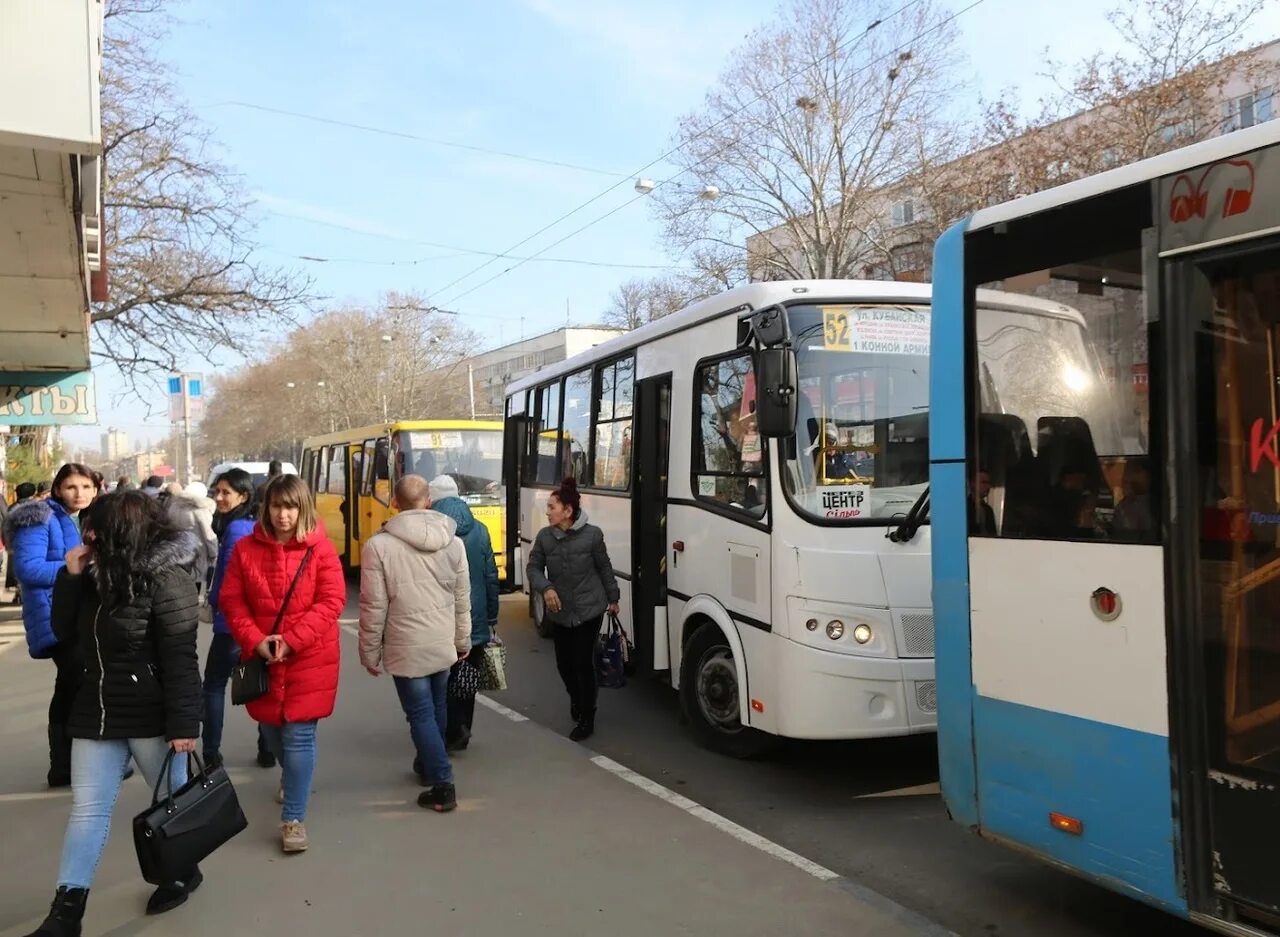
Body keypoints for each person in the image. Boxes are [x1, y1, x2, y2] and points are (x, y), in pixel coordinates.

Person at [24, 491, 203, 936]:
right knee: (87, 810)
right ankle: (66, 913)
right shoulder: (92, 576)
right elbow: (63, 631)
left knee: (169, 800)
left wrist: (184, 725)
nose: (87, 534)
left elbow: (182, 657)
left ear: (121, 530)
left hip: (152, 717)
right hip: (95, 712)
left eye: (96, 527)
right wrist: (69, 576)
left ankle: (181, 871)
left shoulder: (168, 579)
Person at [220, 474, 345, 854]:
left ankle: (293, 819)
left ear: (302, 508)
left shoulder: (321, 550)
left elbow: (331, 601)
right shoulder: (246, 549)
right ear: (266, 508)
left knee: (299, 735)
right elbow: (232, 600)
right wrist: (256, 641)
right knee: (273, 730)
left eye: (291, 506)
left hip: (309, 657)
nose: (283, 515)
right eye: (277, 506)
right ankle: (291, 777)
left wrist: (292, 640)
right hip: (262, 656)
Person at [359, 475, 470, 811]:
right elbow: (462, 598)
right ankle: (427, 764)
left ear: (395, 502)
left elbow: (373, 605)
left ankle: (442, 782)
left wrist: (369, 652)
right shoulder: (454, 542)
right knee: (435, 706)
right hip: (441, 639)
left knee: (420, 713)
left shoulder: (378, 546)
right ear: (429, 501)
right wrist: (462, 639)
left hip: (405, 642)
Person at [6, 464, 96, 787]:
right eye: (72, 487)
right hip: (53, 614)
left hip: (77, 613)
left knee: (75, 686)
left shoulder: (81, 518)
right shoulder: (39, 517)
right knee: (73, 687)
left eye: (86, 487)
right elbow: (27, 570)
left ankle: (71, 764)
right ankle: (64, 766)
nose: (79, 493)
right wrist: (77, 567)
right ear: (58, 489)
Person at [527, 477, 620, 742]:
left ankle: (587, 716)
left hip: (589, 608)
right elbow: (533, 568)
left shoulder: (593, 535)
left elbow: (604, 567)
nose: (547, 512)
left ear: (568, 511)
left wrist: (613, 598)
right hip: (559, 609)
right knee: (563, 664)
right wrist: (546, 588)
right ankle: (576, 698)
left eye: (551, 507)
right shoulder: (545, 537)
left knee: (583, 662)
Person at [202, 469, 275, 770]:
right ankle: (267, 749)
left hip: (232, 623)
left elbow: (227, 578)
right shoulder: (255, 526)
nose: (218, 498)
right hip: (257, 622)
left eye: (225, 493)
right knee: (258, 683)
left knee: (214, 685)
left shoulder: (235, 530)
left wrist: (214, 601)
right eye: (216, 491)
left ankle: (210, 752)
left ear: (243, 496)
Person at [428, 474, 498, 753]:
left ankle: (442, 732)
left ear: (432, 499)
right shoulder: (480, 529)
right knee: (466, 678)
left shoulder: (429, 531)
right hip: (475, 619)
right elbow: (491, 576)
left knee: (438, 681)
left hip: (438, 619)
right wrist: (491, 617)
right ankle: (462, 730)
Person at [165, 482, 218, 592]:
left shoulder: (173, 506)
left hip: (177, 549)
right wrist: (213, 553)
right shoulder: (200, 511)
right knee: (198, 577)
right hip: (198, 550)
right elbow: (208, 535)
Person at [3, 482, 37, 601]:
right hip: (33, 544)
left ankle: (19, 591)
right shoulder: (36, 507)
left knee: (18, 569)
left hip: (16, 543)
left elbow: (6, 527)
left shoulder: (12, 507)